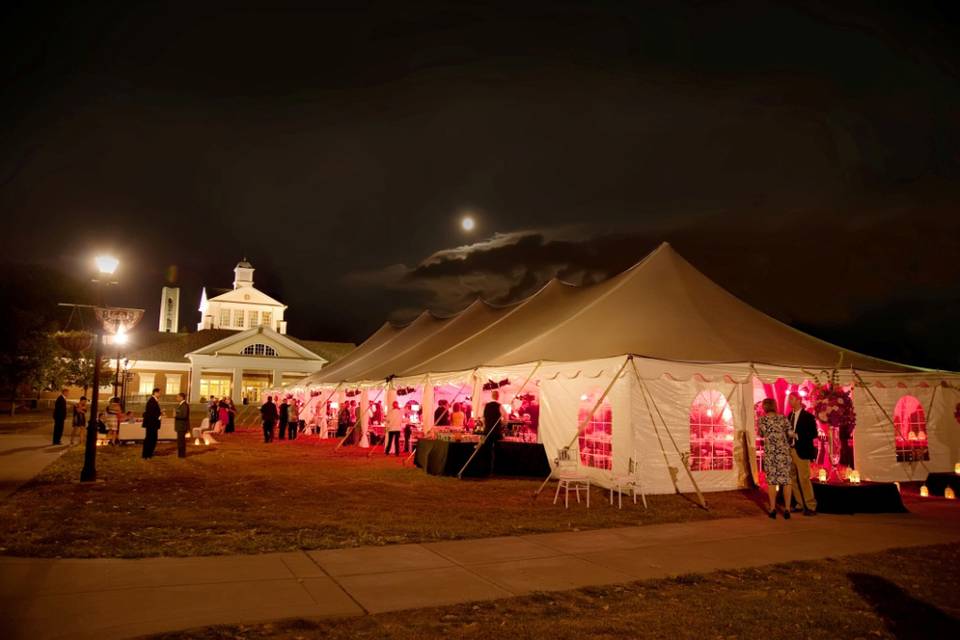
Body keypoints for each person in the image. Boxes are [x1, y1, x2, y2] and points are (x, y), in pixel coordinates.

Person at [758, 398, 794, 519]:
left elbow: (761, 434)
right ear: (775, 406)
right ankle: (787, 509)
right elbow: (790, 433)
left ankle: (773, 508)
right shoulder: (783, 418)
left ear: (764, 407)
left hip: (770, 454)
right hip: (783, 453)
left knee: (772, 482)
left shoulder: (762, 420)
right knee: (787, 481)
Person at [787, 392, 818, 515]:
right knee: (793, 478)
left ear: (799, 400)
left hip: (802, 451)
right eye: (789, 399)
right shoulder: (790, 415)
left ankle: (811, 506)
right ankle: (799, 503)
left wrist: (797, 435)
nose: (790, 401)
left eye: (792, 399)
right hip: (791, 449)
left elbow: (813, 434)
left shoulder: (808, 417)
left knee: (804, 479)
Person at [142, 387, 162, 459]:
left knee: (152, 438)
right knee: (150, 438)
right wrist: (160, 416)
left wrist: (160, 413)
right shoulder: (152, 401)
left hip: (152, 423)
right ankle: (147, 454)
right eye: (159, 393)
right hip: (151, 424)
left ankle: (149, 453)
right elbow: (151, 413)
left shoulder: (153, 401)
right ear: (155, 393)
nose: (160, 394)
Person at [174, 392, 190, 458]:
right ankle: (180, 454)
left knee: (181, 441)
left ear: (181, 397)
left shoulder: (184, 405)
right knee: (180, 441)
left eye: (177, 397)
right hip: (180, 425)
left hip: (182, 426)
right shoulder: (181, 404)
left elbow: (184, 415)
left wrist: (176, 415)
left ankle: (182, 455)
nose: (176, 398)